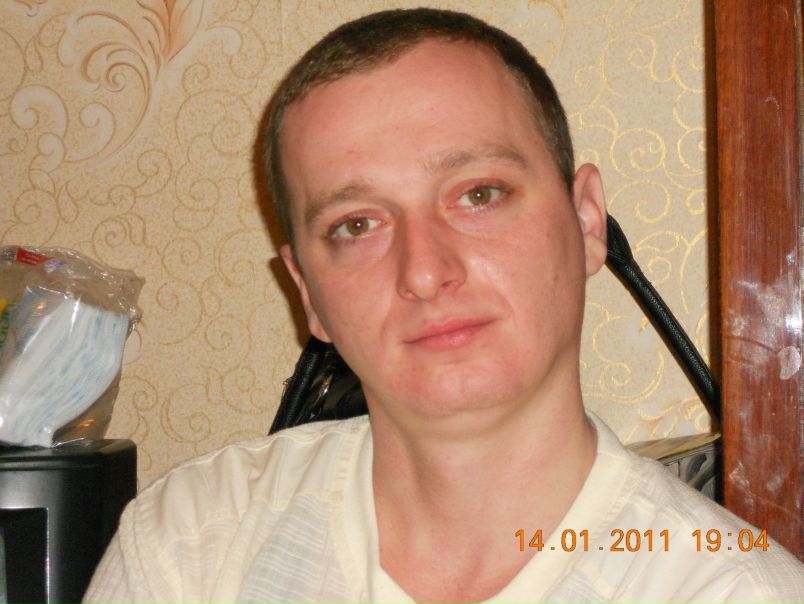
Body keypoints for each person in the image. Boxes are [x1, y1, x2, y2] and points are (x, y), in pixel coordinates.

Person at [84, 8, 803, 604]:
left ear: (588, 222)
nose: (424, 272)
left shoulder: (731, 589)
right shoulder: (190, 546)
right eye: (356, 225)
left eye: (478, 195)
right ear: (308, 294)